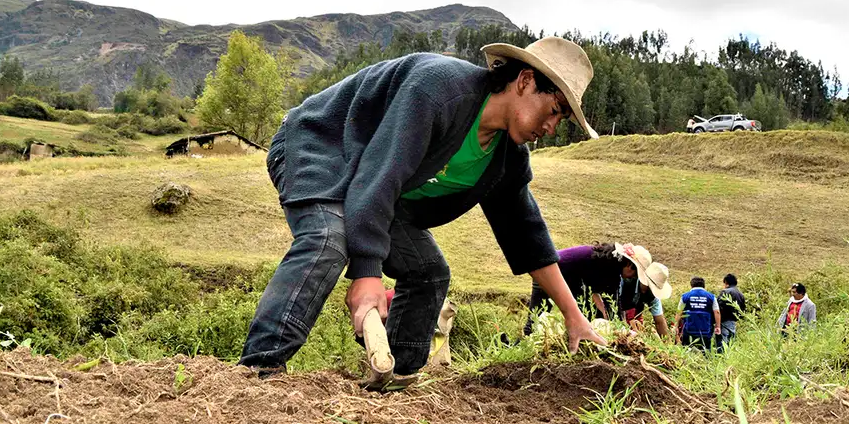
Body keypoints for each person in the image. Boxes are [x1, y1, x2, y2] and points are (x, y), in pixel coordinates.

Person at [239, 36, 606, 380]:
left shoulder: (506, 156)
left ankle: (394, 377)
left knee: (429, 272)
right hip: (322, 148)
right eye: (554, 110)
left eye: (561, 118)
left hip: (374, 191)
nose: (552, 126)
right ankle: (258, 372)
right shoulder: (438, 89)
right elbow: (381, 174)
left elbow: (526, 235)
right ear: (525, 81)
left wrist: (574, 317)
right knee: (327, 240)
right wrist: (366, 273)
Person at [522, 242, 671, 338]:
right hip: (548, 271)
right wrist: (622, 330)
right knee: (534, 322)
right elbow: (608, 302)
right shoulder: (607, 268)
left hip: (566, 280)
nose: (632, 277)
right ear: (629, 265)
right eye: (635, 274)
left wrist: (617, 326)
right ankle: (517, 350)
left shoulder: (611, 267)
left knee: (586, 319)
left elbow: (608, 302)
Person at [675, 276, 721, 351]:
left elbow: (679, 312)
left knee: (688, 349)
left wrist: (676, 326)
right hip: (706, 330)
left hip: (689, 330)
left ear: (691, 285)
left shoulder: (685, 296)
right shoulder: (711, 297)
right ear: (703, 285)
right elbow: (717, 312)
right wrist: (718, 326)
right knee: (706, 350)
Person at [718, 273, 746, 345]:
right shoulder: (740, 294)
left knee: (722, 344)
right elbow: (743, 309)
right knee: (730, 343)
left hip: (724, 322)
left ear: (726, 282)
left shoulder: (725, 292)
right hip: (734, 322)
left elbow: (719, 307)